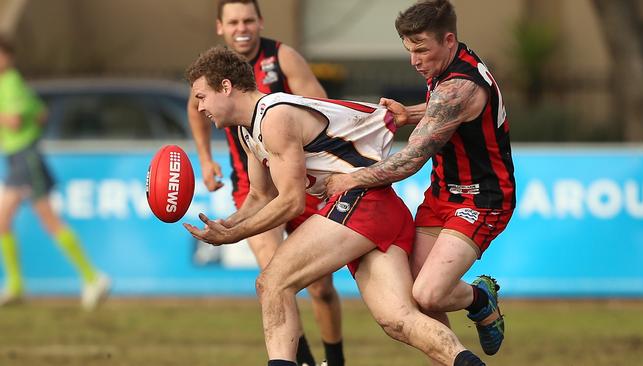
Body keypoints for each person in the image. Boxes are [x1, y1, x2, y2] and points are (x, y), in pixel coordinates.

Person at [184, 46, 488, 366]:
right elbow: (260, 196)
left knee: (272, 282)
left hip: (359, 203)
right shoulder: (249, 130)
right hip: (378, 208)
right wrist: (224, 226)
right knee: (398, 320)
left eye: (202, 96)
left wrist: (235, 235)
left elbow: (290, 202)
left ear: (227, 87)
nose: (199, 107)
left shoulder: (273, 116)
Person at [325, 0, 515, 358]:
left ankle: (480, 298)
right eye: (409, 50)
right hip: (443, 194)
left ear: (448, 40)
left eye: (422, 50)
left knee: (430, 293)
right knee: (416, 293)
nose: (415, 60)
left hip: (482, 199)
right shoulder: (451, 68)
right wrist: (409, 113)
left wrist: (350, 180)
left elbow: (411, 159)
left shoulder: (459, 86)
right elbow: (446, 110)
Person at [186, 1, 344, 365]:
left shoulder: (282, 58)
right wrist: (206, 158)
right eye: (233, 22)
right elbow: (194, 108)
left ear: (260, 23)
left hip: (300, 180)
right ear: (220, 28)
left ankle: (335, 360)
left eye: (248, 20)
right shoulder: (211, 72)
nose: (242, 28)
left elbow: (322, 107)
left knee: (320, 287)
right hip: (252, 186)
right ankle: (301, 359)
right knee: (275, 276)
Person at [0, 35, 110, 310]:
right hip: (19, 157)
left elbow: (13, 121)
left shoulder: (10, 82)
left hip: (26, 157)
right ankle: (15, 284)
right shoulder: (14, 84)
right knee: (6, 221)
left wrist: (19, 126)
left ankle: (91, 276)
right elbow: (41, 114)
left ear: (7, 56)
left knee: (46, 219)